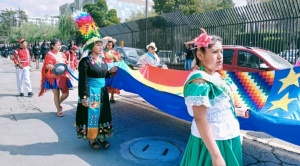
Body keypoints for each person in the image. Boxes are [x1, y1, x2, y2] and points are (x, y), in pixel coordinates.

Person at [181, 28, 250, 166]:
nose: (220, 56)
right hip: (213, 143)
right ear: (200, 55)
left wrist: (237, 111)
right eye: (214, 52)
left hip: (228, 137)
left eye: (221, 51)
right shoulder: (199, 82)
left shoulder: (216, 75)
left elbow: (215, 109)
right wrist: (216, 156)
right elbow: (201, 118)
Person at [74, 12, 117, 149]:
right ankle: (92, 138)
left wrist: (110, 73)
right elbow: (83, 81)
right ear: (91, 47)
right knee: (91, 115)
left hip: (102, 92)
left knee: (103, 115)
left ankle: (101, 136)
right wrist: (84, 97)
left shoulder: (102, 60)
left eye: (100, 45)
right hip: (91, 92)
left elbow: (103, 75)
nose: (100, 47)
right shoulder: (85, 62)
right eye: (98, 45)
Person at [38, 38, 72, 117]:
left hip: (63, 77)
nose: (60, 47)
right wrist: (48, 66)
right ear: (53, 46)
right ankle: (58, 110)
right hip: (53, 77)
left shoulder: (62, 54)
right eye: (58, 45)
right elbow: (45, 66)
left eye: (60, 45)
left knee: (66, 94)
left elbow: (66, 64)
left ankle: (58, 103)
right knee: (56, 94)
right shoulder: (49, 55)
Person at [103, 36, 121, 103]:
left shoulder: (114, 52)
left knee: (112, 83)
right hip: (105, 69)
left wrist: (116, 59)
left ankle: (112, 97)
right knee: (105, 83)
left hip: (112, 69)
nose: (109, 46)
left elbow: (117, 60)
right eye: (108, 45)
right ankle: (104, 97)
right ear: (105, 45)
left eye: (111, 45)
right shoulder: (103, 52)